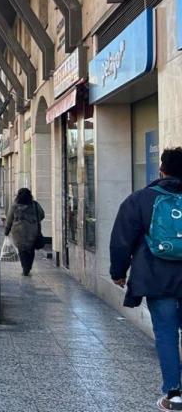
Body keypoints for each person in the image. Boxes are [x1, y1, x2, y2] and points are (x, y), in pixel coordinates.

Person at [111, 147, 182, 412]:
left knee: (166, 333)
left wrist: (118, 272)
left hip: (156, 277)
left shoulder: (141, 199)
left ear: (161, 171)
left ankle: (174, 395)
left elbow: (121, 239)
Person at [4, 187, 44, 276]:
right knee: (31, 249)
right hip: (33, 232)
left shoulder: (14, 206)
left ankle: (25, 268)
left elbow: (9, 219)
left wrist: (7, 230)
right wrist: (33, 221)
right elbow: (42, 215)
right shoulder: (35, 205)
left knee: (22, 251)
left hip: (18, 233)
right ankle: (28, 266)